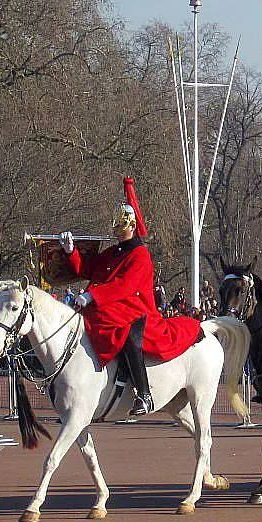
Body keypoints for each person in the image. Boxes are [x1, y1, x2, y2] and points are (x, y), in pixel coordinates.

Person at [59, 177, 202, 416]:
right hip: (113, 307)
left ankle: (143, 394)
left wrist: (93, 296)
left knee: (127, 337)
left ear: (132, 226)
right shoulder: (114, 252)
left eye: (120, 227)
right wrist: (70, 251)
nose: (116, 231)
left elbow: (124, 286)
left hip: (136, 311)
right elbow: (87, 269)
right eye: (116, 227)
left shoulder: (140, 255)